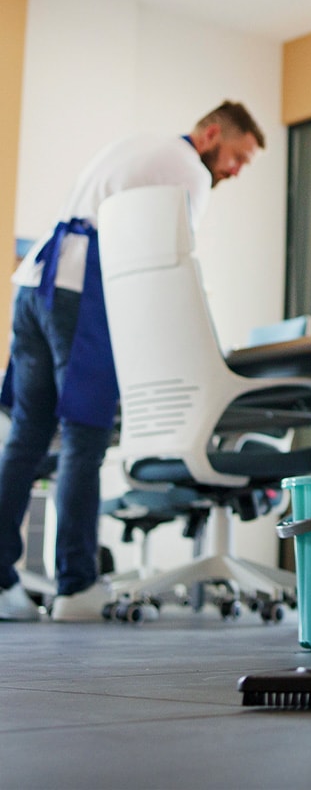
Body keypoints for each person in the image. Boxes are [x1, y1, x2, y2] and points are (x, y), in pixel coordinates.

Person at [0, 100, 265, 622]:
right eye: (238, 156)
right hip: (82, 289)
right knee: (84, 436)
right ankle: (76, 587)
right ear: (212, 134)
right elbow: (170, 267)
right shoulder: (188, 170)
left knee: (27, 436)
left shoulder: (137, 146)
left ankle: (2, 582)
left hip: (35, 285)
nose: (236, 170)